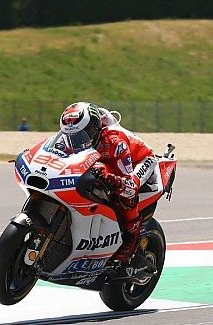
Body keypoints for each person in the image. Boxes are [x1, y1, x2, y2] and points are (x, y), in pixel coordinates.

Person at [58, 101, 157, 274]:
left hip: (139, 160)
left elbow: (128, 185)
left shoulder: (114, 143)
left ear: (94, 130)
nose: (75, 141)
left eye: (81, 136)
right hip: (104, 157)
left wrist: (113, 180)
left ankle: (132, 235)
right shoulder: (73, 129)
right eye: (71, 136)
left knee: (124, 191)